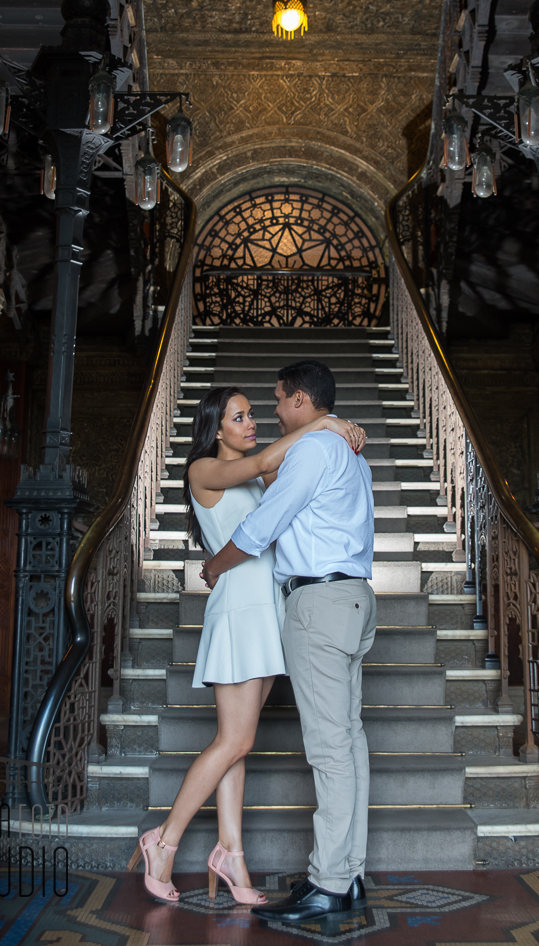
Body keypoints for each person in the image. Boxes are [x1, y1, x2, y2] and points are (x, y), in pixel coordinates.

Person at [126, 384, 365, 908]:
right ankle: (162, 841)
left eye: (253, 413)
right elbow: (263, 461)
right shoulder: (204, 470)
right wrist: (323, 424)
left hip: (269, 612)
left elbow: (283, 493)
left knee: (238, 742)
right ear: (215, 429)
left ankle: (231, 853)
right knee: (233, 741)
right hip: (238, 612)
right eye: (239, 416)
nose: (251, 422)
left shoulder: (259, 478)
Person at [202, 360, 377, 924]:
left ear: (300, 399)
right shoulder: (350, 452)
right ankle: (349, 874)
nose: (273, 412)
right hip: (354, 597)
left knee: (330, 749)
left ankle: (328, 883)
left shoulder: (313, 450)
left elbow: (262, 527)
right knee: (349, 741)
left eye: (278, 400)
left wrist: (214, 566)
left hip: (320, 604)